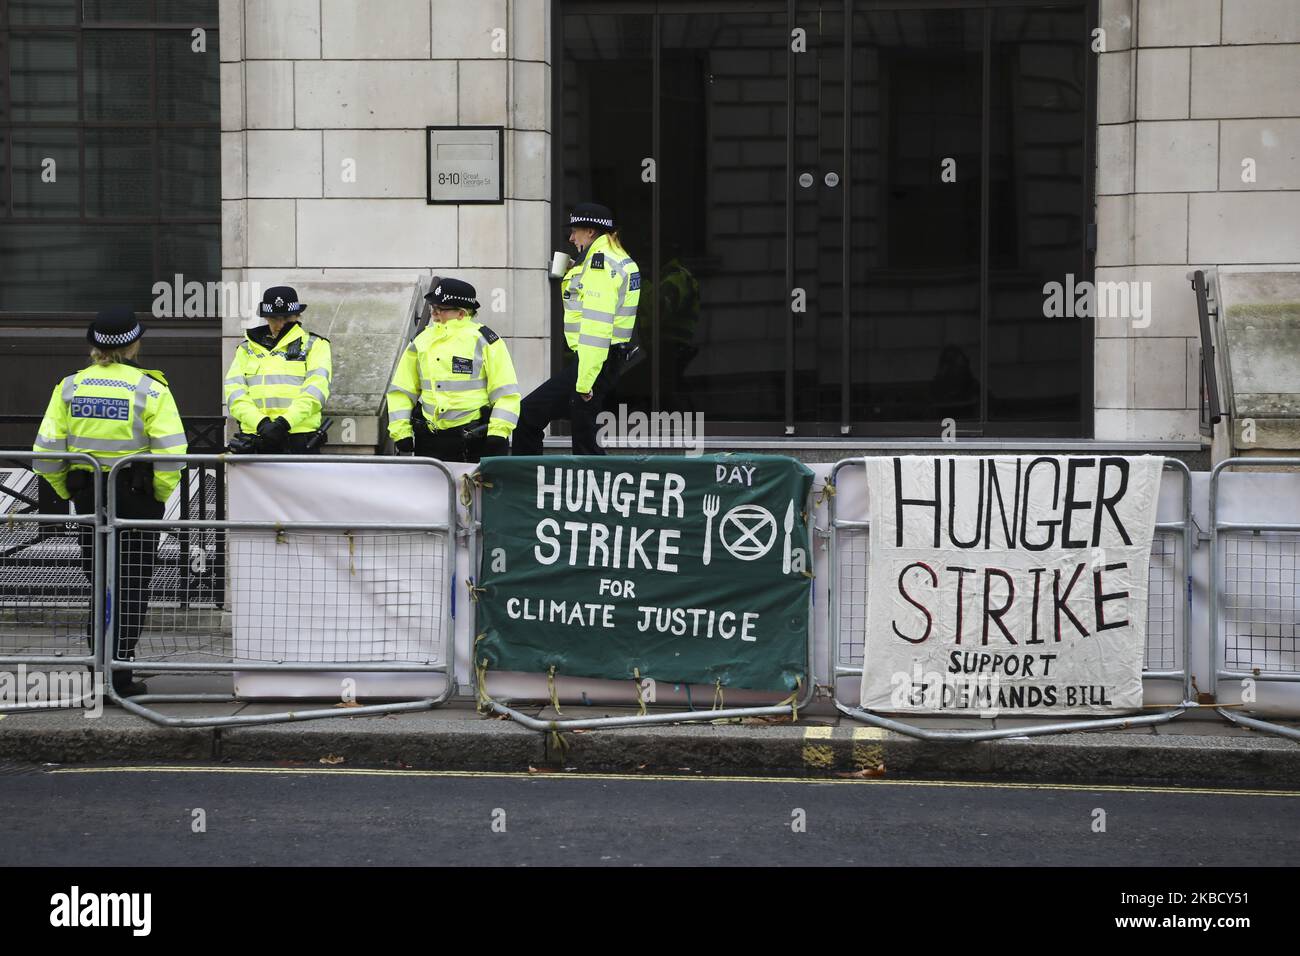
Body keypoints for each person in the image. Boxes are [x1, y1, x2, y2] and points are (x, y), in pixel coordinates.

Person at [32, 309, 188, 698]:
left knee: (99, 584)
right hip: (135, 500)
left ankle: (98, 671)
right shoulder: (151, 389)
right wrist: (158, 496)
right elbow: (172, 454)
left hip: (90, 499)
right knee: (131, 585)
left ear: (93, 345)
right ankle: (119, 676)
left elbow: (47, 452)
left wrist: (69, 492)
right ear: (134, 344)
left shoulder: (70, 387)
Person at [513, 202, 641, 456]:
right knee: (582, 436)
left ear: (591, 232)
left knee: (529, 416)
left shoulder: (599, 265)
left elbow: (597, 327)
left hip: (594, 361)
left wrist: (584, 383)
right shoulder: (616, 259)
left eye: (574, 231)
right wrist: (578, 269)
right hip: (606, 359)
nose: (571, 238)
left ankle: (528, 487)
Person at [386, 278, 520, 462]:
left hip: (475, 441)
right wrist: (401, 432)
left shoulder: (485, 341)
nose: (434, 313)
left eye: (441, 308)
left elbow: (506, 393)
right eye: (433, 307)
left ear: (461, 313)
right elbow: (401, 391)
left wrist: (498, 432)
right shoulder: (421, 340)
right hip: (430, 441)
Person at [223, 286, 333, 453]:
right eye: (275, 318)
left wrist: (284, 423)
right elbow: (235, 393)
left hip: (298, 437)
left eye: (286, 318)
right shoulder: (246, 349)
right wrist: (261, 423)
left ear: (297, 316)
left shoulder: (315, 345)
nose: (280, 324)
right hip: (256, 437)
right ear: (266, 318)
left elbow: (316, 391)